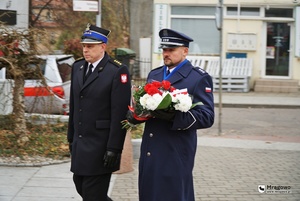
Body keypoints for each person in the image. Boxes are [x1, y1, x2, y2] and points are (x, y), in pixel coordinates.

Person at [127, 28, 215, 201]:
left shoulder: (197, 78)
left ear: (185, 51)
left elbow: (207, 116)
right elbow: (147, 105)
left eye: (171, 50)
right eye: (164, 49)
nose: (166, 54)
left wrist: (175, 117)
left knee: (173, 195)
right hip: (151, 148)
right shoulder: (155, 74)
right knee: (149, 194)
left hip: (175, 150)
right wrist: (137, 115)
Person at [67, 23, 131, 201]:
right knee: (80, 185)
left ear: (103, 47)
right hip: (80, 143)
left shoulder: (116, 70)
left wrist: (114, 148)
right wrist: (70, 137)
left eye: (90, 46)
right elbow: (74, 106)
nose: (85, 50)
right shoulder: (78, 67)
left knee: (92, 195)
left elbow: (120, 113)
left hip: (101, 146)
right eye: (84, 46)